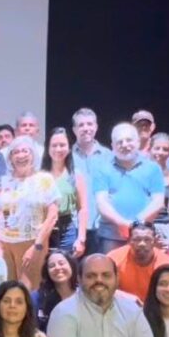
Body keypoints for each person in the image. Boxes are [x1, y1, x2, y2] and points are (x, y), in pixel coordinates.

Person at [0, 135, 60, 290]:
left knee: (29, 291)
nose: (20, 156)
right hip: (3, 245)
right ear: (10, 158)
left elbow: (52, 216)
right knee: (5, 290)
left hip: (33, 244)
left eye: (25, 151)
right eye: (16, 152)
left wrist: (37, 246)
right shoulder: (0, 182)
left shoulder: (45, 180)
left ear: (33, 155)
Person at [95, 122, 166, 255]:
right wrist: (121, 223)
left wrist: (135, 224)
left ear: (138, 142)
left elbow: (158, 201)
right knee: (111, 268)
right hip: (111, 236)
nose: (124, 145)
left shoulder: (153, 168)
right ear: (112, 146)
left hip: (143, 236)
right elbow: (101, 203)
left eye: (129, 140)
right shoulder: (103, 169)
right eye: (119, 142)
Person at [71, 108, 114, 255]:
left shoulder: (109, 156)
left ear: (96, 127)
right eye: (81, 125)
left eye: (89, 124)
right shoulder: (67, 157)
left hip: (101, 227)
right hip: (74, 227)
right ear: (74, 129)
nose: (86, 128)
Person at [43, 127, 89, 257]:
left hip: (67, 230)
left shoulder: (75, 175)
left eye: (62, 145)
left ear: (69, 148)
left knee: (66, 265)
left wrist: (81, 239)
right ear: (48, 148)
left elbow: (83, 209)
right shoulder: (39, 175)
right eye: (54, 145)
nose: (58, 149)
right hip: (43, 229)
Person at [107, 221, 169, 302]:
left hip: (155, 306)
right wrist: (129, 299)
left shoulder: (167, 266)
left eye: (147, 239)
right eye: (137, 239)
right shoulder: (113, 259)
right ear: (129, 241)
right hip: (122, 304)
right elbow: (104, 288)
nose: (142, 244)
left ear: (154, 241)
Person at [33, 249, 78, 330]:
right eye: (52, 266)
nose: (57, 268)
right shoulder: (38, 298)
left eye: (61, 263)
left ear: (71, 265)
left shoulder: (84, 294)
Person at [149, 132, 169, 249]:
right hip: (145, 226)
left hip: (167, 226)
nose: (160, 152)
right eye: (157, 148)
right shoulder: (140, 173)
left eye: (165, 149)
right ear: (150, 149)